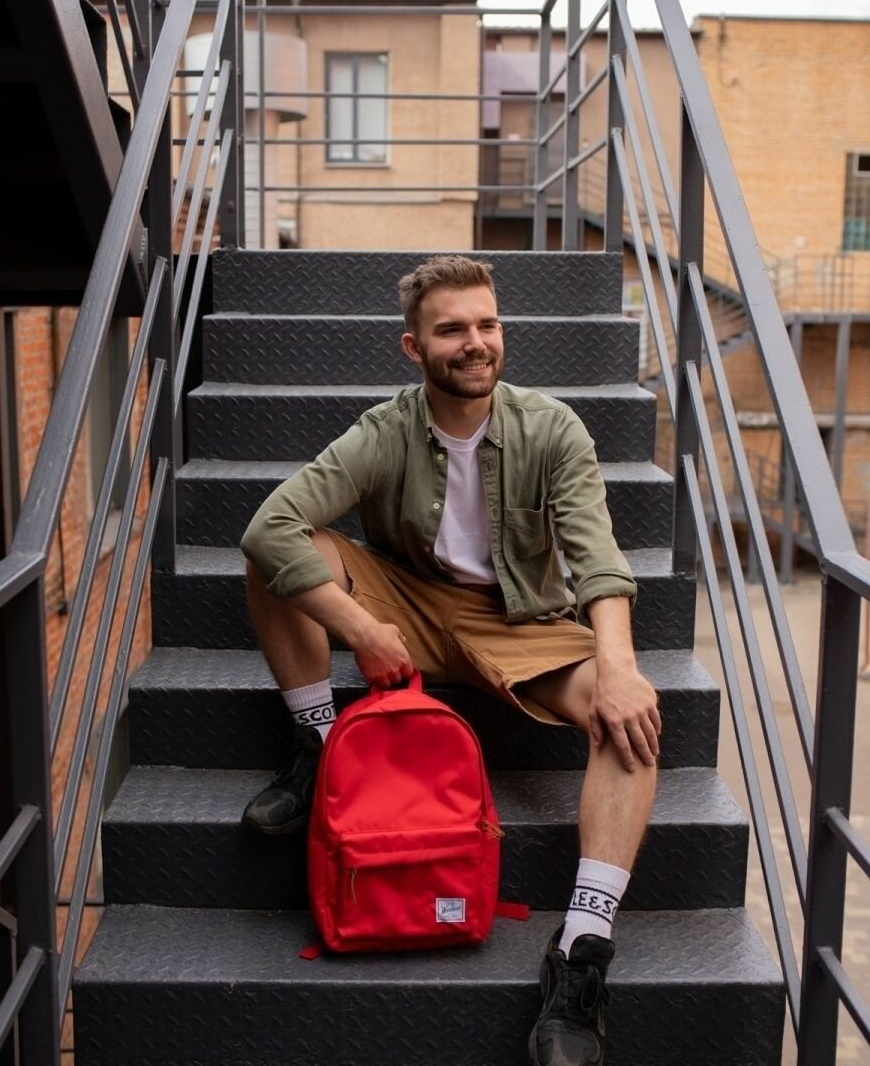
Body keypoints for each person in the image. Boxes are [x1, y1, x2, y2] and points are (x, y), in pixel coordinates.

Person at [240, 254, 660, 1066]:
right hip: (408, 606)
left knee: (632, 723)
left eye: (488, 324)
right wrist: (361, 628)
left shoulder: (552, 428)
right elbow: (270, 528)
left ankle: (582, 946)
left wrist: (617, 664)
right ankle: (319, 746)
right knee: (280, 556)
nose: (476, 342)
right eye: (452, 329)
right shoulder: (385, 430)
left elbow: (600, 562)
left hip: (520, 622)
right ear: (414, 346)